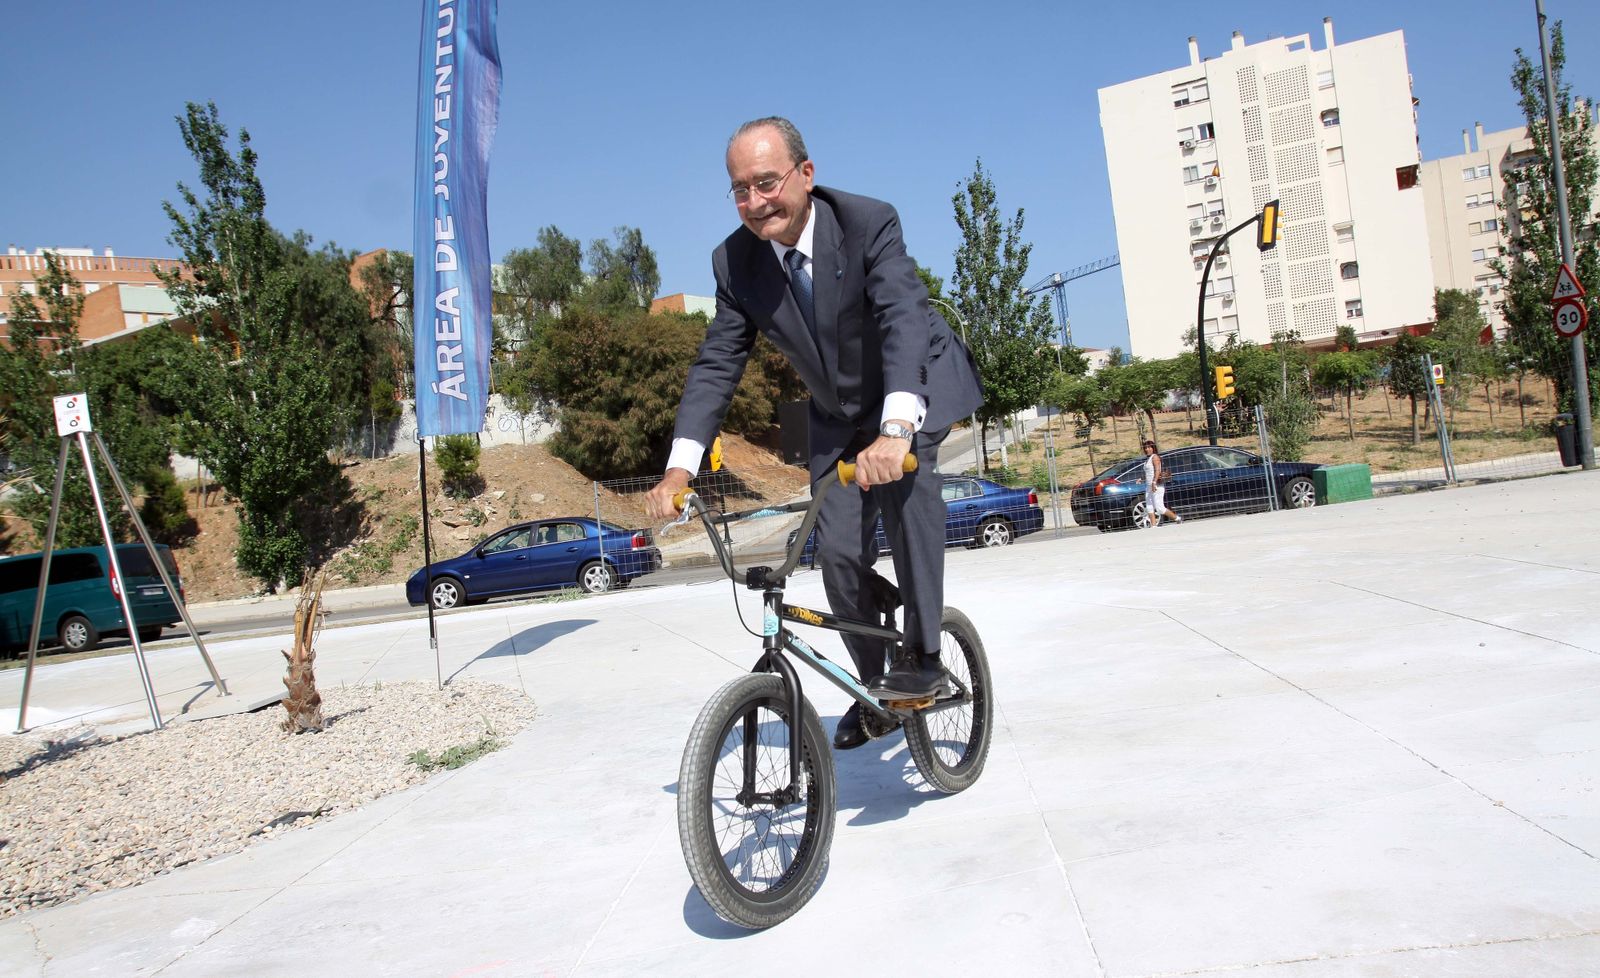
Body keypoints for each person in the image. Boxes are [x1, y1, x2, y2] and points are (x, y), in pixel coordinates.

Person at [644, 117, 983, 750]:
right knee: (835, 553)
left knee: (910, 505)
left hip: (912, 384)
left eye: (766, 182)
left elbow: (902, 317)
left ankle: (926, 654)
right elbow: (718, 363)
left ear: (805, 174)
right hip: (836, 412)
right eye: (740, 189)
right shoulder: (736, 262)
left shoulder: (866, 222)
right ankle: (871, 688)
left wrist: (898, 427)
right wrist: (679, 467)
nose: (755, 202)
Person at [1141, 439, 1182, 527]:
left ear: (1153, 448)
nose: (1147, 449)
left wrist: (1154, 482)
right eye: (1145, 448)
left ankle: (1177, 518)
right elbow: (1149, 472)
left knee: (1159, 508)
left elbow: (1157, 470)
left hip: (1156, 486)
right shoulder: (1147, 459)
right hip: (1148, 486)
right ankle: (1153, 526)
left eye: (1149, 447)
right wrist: (1141, 479)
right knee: (1149, 506)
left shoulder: (1155, 457)